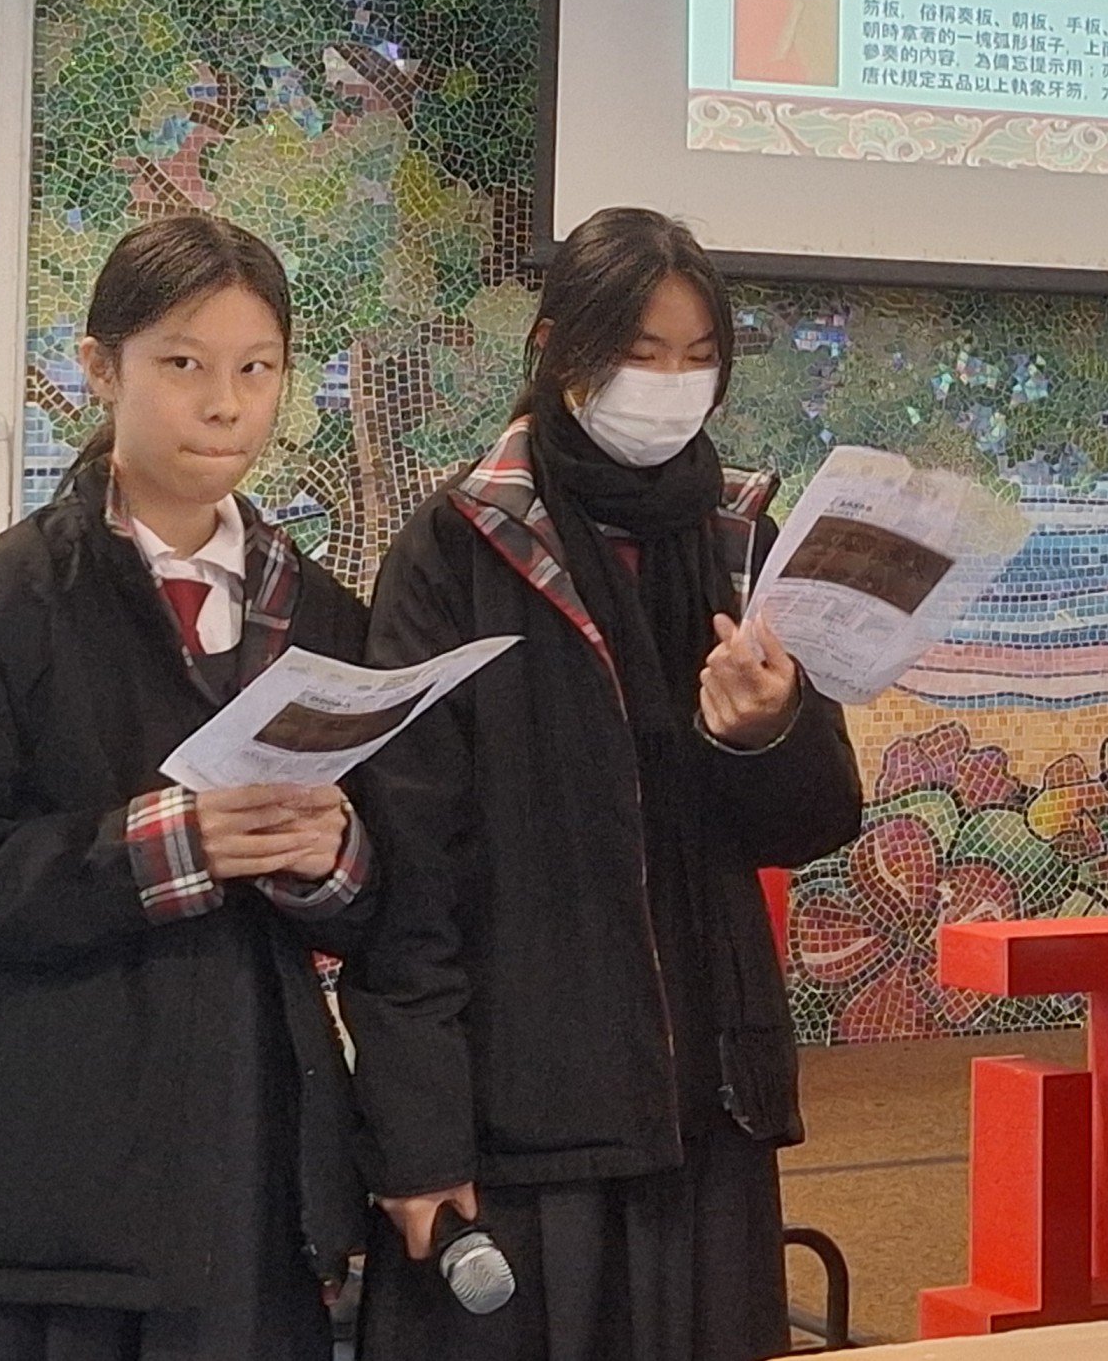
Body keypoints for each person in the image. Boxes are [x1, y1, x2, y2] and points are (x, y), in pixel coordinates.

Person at [345, 206, 865, 1361]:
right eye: (642, 354)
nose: (671, 386)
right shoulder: (456, 549)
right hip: (527, 1117)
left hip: (709, 1108)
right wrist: (419, 1135)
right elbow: (407, 871)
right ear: (556, 351)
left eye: (698, 358)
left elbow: (819, 816)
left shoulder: (740, 540)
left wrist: (767, 730)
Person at [0, 214, 371, 1360]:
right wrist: (169, 846)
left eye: (257, 369)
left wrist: (330, 856)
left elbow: (389, 889)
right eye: (183, 363)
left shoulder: (323, 616)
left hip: (251, 1165)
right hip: (44, 1181)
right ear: (100, 367)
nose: (224, 405)